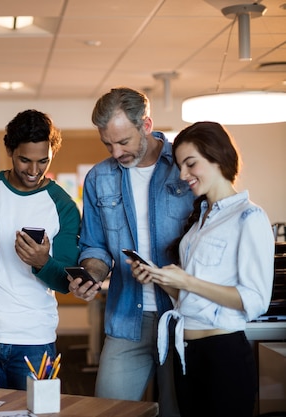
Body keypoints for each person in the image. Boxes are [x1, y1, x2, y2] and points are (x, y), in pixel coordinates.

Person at [129, 121, 274, 417]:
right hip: (187, 352)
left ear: (218, 156)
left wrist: (188, 281)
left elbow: (255, 300)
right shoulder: (199, 222)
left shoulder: (249, 217)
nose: (183, 175)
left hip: (223, 354)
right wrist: (160, 278)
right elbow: (188, 296)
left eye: (190, 164)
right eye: (181, 166)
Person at [69, 87, 194, 416]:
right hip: (126, 316)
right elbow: (95, 244)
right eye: (107, 144)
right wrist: (92, 276)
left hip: (183, 314)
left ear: (147, 124)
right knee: (106, 410)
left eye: (123, 141)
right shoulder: (99, 178)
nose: (116, 151)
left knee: (175, 410)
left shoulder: (183, 165)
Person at [0, 109, 81, 390]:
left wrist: (42, 261)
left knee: (37, 411)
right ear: (10, 150)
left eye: (43, 161)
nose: (34, 171)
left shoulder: (63, 206)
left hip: (34, 338)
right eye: (25, 160)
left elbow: (65, 283)